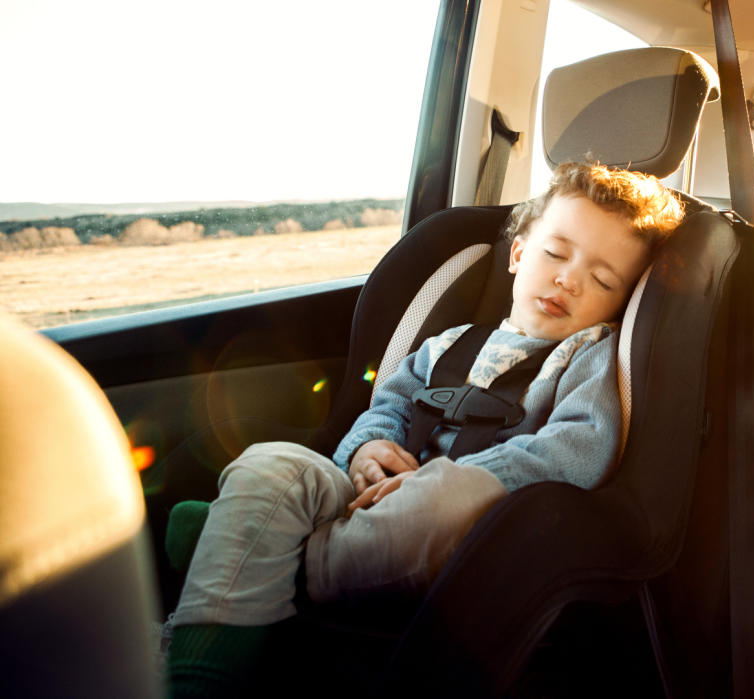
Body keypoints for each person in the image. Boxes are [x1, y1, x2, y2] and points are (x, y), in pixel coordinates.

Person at [163, 161, 685, 697]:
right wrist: (368, 448)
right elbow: (387, 404)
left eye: (601, 279)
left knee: (448, 497)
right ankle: (198, 676)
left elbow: (578, 447)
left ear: (621, 303)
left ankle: (255, 546)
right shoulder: (448, 343)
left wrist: (457, 478)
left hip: (465, 529)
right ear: (519, 254)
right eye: (555, 253)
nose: (569, 279)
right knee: (271, 463)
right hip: (370, 496)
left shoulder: (591, 358)